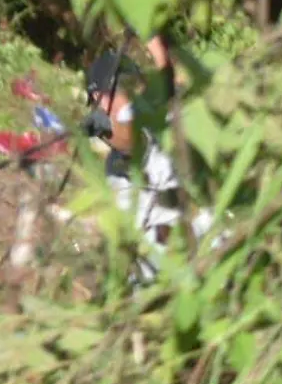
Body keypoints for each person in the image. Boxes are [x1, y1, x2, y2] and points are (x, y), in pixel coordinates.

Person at [82, 32, 215, 273]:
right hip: (167, 265)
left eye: (136, 85)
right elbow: (129, 143)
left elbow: (169, 82)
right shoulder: (118, 164)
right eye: (125, 87)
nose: (135, 95)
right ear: (99, 99)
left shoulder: (163, 120)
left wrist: (151, 35)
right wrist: (104, 128)